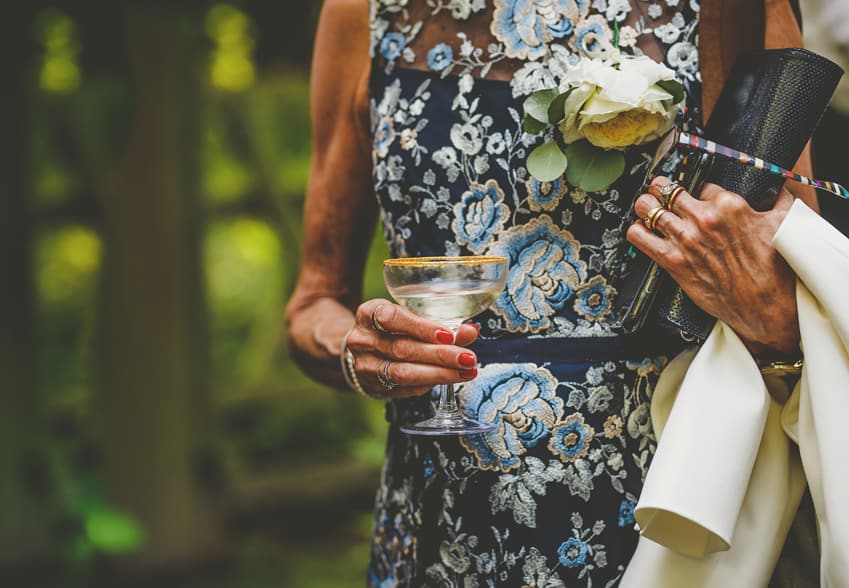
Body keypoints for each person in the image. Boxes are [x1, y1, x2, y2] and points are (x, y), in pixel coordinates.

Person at [285, 0, 816, 584]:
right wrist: (361, 352)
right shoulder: (363, 12)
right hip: (439, 511)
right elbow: (314, 305)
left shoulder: (730, 10)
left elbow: (800, 293)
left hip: (665, 503)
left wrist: (765, 314)